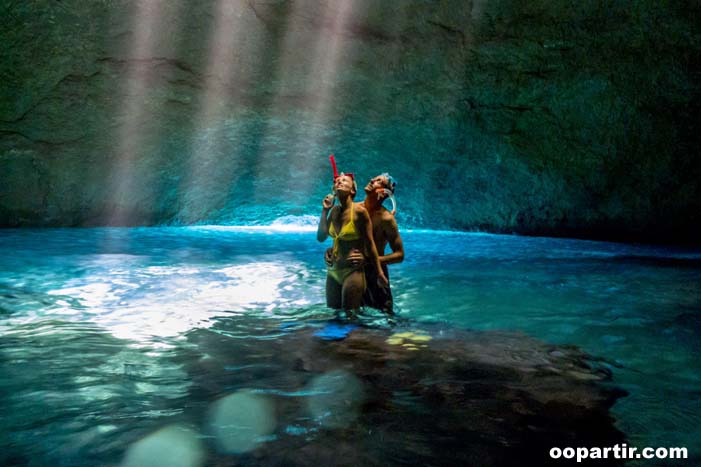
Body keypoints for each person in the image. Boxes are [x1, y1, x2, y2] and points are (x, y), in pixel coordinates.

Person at [325, 173, 404, 315]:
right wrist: (333, 250)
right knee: (346, 315)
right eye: (373, 177)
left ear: (385, 192)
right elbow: (341, 236)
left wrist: (369, 260)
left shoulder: (386, 219)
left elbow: (400, 255)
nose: (372, 179)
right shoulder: (353, 209)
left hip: (375, 274)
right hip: (351, 270)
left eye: (378, 181)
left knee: (384, 318)